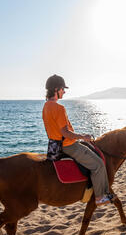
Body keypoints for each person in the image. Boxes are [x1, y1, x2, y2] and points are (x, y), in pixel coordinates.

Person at [42, 74, 114, 205]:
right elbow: (65, 132)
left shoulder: (46, 106)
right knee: (98, 164)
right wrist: (83, 137)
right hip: (68, 145)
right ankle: (99, 197)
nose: (64, 91)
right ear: (56, 89)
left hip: (54, 145)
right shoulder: (59, 108)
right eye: (63, 89)